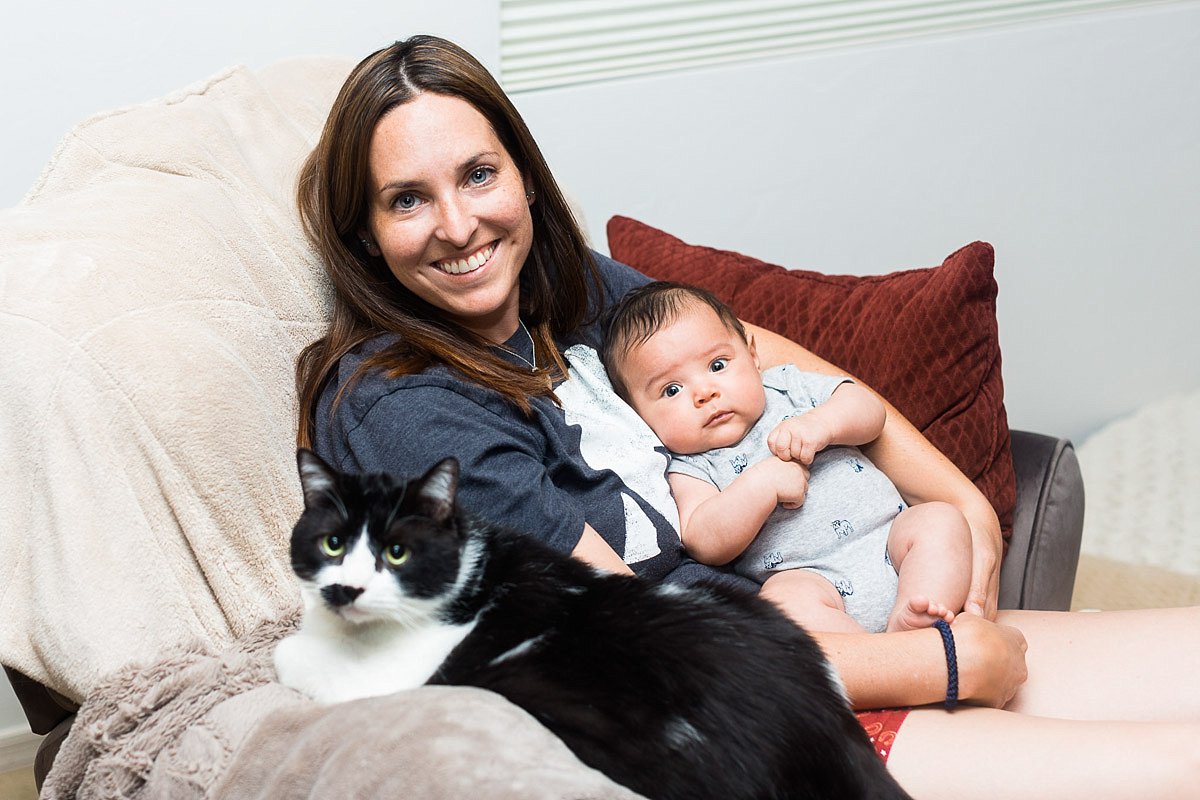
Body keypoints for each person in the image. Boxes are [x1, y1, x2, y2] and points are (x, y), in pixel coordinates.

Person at [295, 34, 1200, 799]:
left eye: (478, 175)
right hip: (748, 704)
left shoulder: (560, 288)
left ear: (525, 179)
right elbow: (622, 634)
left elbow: (769, 356)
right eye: (407, 199)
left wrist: (964, 507)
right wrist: (950, 666)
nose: (458, 225)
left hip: (848, 617)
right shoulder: (406, 405)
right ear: (364, 232)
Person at [600, 281, 972, 634]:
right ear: (637, 415)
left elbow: (869, 411)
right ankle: (883, 658)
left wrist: (822, 424)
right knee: (783, 601)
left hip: (891, 536)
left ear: (753, 355)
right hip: (814, 579)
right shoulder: (688, 465)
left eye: (717, 365)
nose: (704, 392)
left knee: (940, 519)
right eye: (671, 389)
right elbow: (703, 540)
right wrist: (760, 485)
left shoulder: (788, 387)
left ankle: (915, 617)